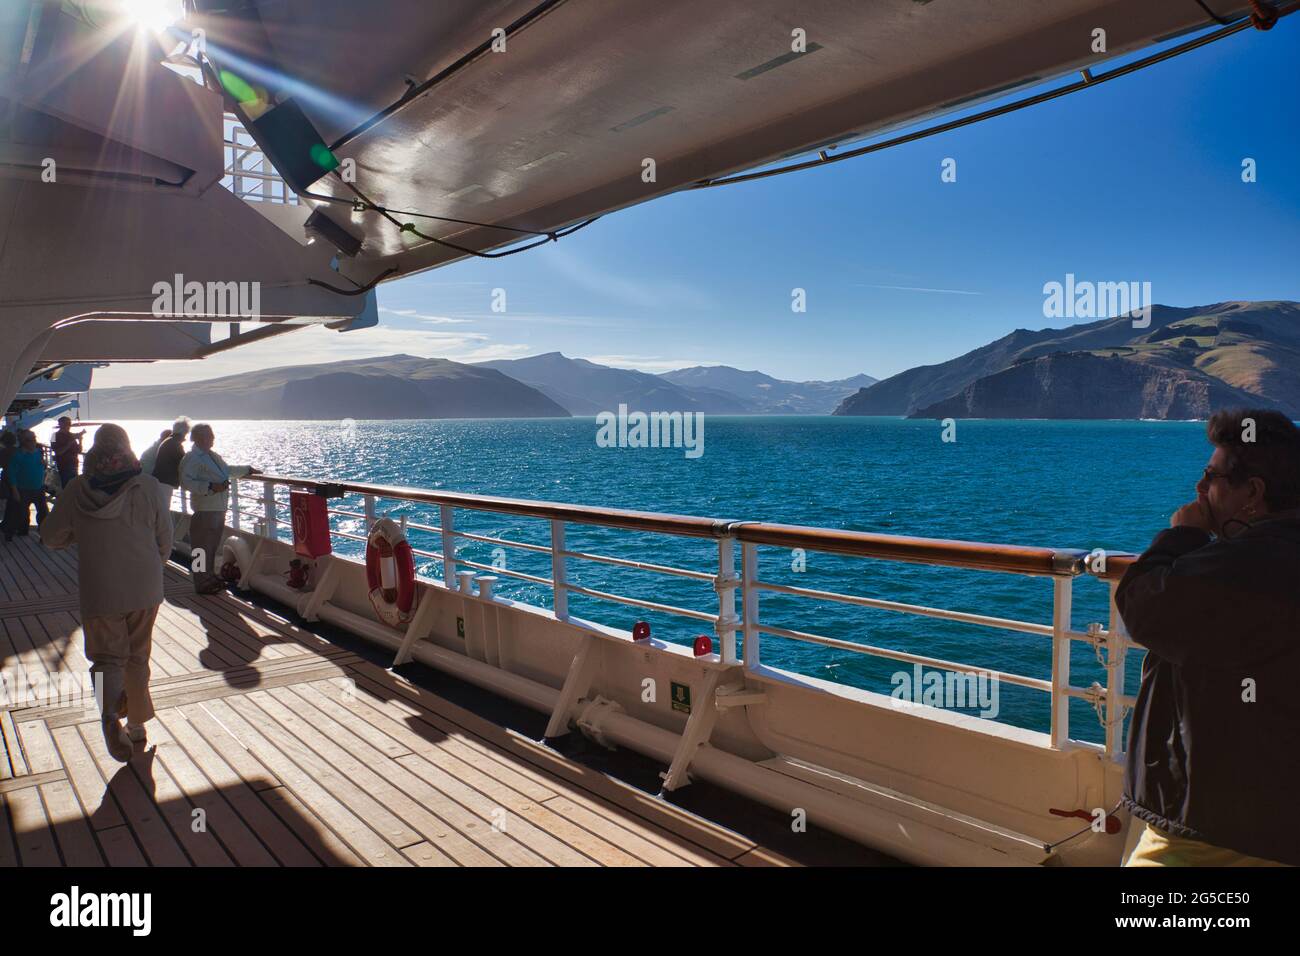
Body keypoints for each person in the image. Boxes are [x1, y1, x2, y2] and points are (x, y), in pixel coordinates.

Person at [1116, 408, 1300, 867]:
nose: (1200, 487)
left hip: (1216, 831)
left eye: (1212, 476)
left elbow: (1143, 604)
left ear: (1253, 493)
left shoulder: (1246, 564)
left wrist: (1182, 535)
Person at [40, 424, 171, 761]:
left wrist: (78, 536)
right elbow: (165, 540)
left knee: (106, 660)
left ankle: (110, 717)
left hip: (101, 589)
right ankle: (138, 726)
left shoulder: (76, 489)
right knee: (138, 656)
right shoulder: (150, 486)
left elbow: (52, 537)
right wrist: (153, 563)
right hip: (144, 585)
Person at [179, 423, 258, 594]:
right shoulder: (193, 458)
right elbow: (185, 482)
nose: (213, 438)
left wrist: (247, 470)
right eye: (209, 435)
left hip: (217, 509)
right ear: (198, 438)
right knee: (200, 548)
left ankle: (208, 577)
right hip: (204, 509)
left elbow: (226, 470)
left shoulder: (210, 455)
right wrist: (210, 487)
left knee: (211, 546)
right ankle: (200, 582)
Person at [2, 430, 49, 540]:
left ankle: (45, 534)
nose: (34, 441)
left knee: (43, 513)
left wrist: (45, 464)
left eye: (34, 438)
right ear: (24, 442)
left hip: (38, 488)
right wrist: (14, 490)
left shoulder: (38, 452)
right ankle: (13, 533)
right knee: (19, 513)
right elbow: (11, 474)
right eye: (30, 440)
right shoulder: (18, 456)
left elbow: (42, 467)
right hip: (23, 489)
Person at [150, 418, 190, 511]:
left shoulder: (169, 442)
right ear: (183, 432)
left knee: (160, 509)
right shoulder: (174, 444)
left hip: (160, 481)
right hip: (165, 482)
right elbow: (183, 462)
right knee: (162, 510)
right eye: (186, 432)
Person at [51, 416, 84, 489]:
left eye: (69, 423)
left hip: (74, 464)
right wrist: (70, 442)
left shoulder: (71, 435)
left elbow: (79, 451)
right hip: (64, 466)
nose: (69, 425)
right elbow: (58, 452)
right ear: (60, 424)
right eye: (67, 423)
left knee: (74, 488)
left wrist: (80, 440)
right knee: (67, 488)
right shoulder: (53, 436)